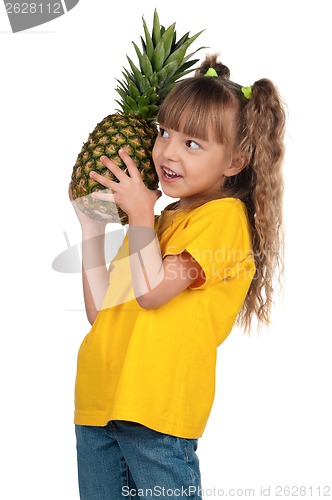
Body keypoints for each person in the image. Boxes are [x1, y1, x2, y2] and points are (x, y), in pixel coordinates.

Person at [69, 54, 286, 500]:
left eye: (193, 144)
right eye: (164, 133)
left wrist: (141, 214)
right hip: (98, 403)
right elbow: (100, 310)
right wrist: (91, 227)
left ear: (234, 162)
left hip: (157, 414)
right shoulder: (158, 223)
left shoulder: (224, 218)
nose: (166, 151)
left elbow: (151, 294)